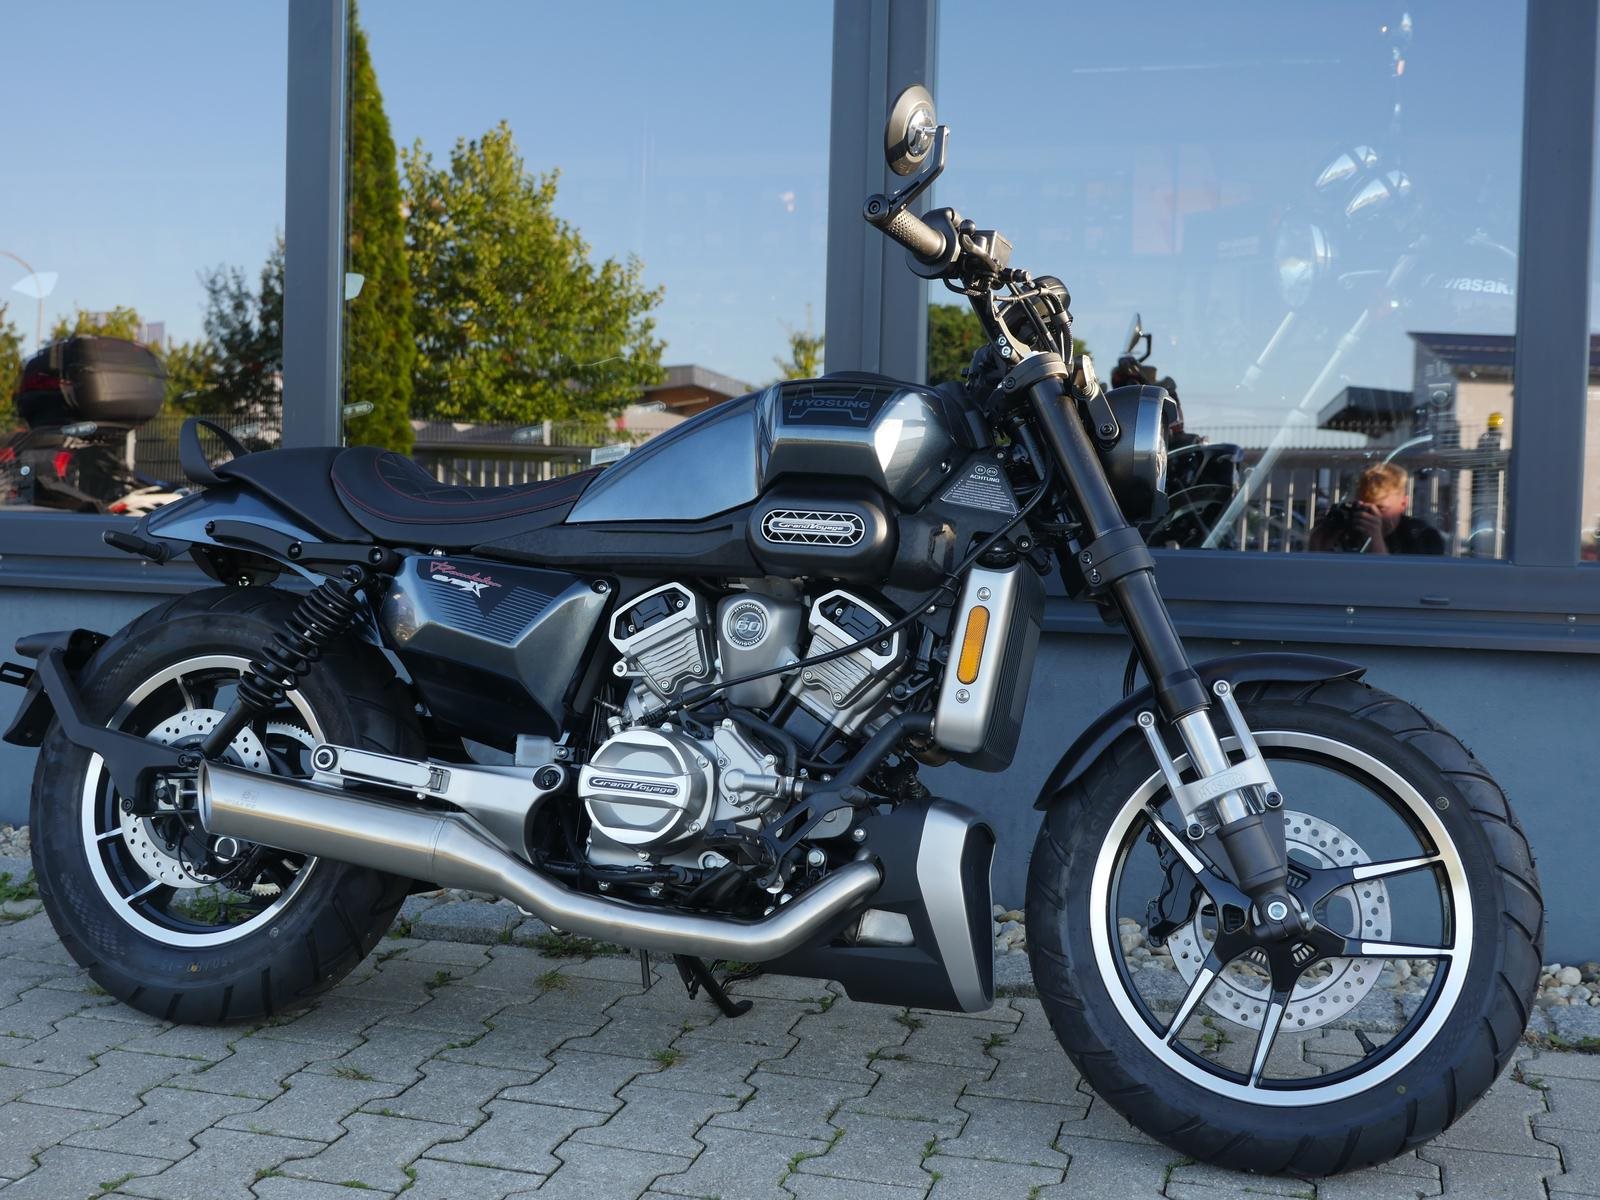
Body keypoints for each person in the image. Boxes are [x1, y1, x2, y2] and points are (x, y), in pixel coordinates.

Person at [1309, 462, 1445, 555]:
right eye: (1363, 508)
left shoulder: (1421, 537)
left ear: (1403, 504)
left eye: (1380, 508)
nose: (1371, 516)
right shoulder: (1348, 531)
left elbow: (1398, 584)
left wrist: (1376, 540)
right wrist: (1318, 548)